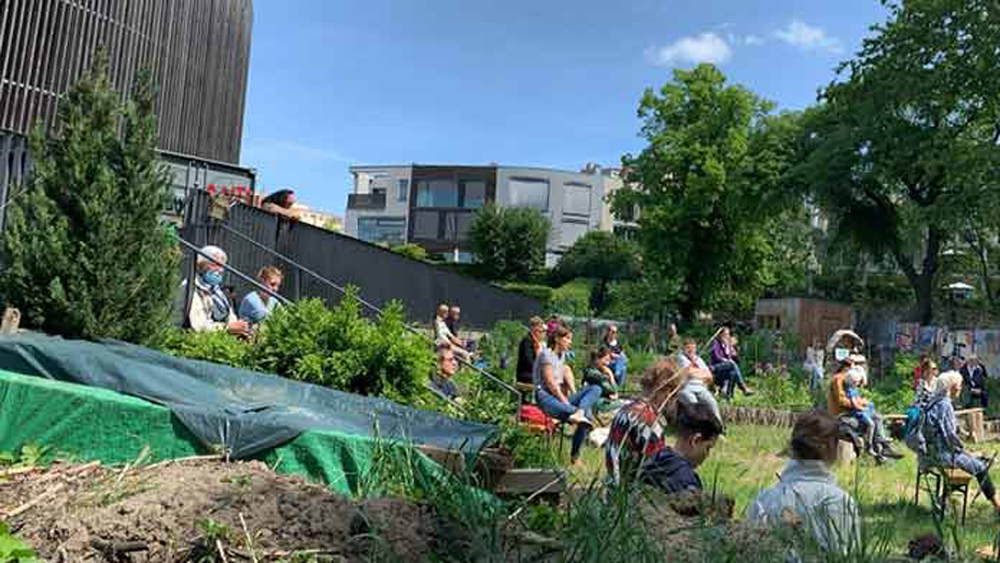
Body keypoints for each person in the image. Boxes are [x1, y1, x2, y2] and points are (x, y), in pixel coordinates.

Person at [746, 410, 861, 556]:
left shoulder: (763, 500)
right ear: (832, 448)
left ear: (792, 446)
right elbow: (848, 556)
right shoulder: (838, 501)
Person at [922, 370, 1000, 515]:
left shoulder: (934, 401)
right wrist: (964, 450)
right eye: (959, 385)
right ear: (951, 386)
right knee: (980, 466)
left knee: (972, 459)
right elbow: (949, 436)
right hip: (942, 455)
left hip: (930, 452)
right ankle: (997, 505)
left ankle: (943, 500)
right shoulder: (945, 405)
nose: (960, 388)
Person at [605, 358, 681, 486]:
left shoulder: (624, 411)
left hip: (612, 490)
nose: (673, 400)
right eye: (674, 394)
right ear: (666, 390)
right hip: (630, 497)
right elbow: (658, 471)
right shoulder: (649, 422)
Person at [534, 324, 601, 466]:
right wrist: (565, 401)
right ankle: (575, 457)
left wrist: (571, 390)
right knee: (586, 419)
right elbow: (551, 384)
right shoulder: (546, 354)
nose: (570, 342)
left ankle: (580, 412)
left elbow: (563, 375)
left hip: (559, 398)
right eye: (568, 338)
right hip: (545, 398)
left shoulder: (562, 355)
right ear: (558, 339)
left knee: (595, 388)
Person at [639, 400, 724, 495]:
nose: (707, 455)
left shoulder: (654, 460)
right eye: (707, 447)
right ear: (695, 440)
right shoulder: (687, 483)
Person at [828, 358, 901, 461]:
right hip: (843, 415)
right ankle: (879, 453)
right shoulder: (838, 379)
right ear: (847, 368)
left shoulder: (849, 380)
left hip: (852, 412)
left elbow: (854, 397)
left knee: (877, 417)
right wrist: (861, 403)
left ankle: (882, 449)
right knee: (872, 422)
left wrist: (862, 402)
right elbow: (842, 401)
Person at [188, 245, 250, 335]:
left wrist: (238, 326)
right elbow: (199, 327)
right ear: (200, 266)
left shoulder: (217, 290)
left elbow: (229, 314)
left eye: (222, 266)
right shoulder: (191, 288)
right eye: (214, 265)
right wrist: (227, 328)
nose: (220, 270)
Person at [675, 338, 724, 427]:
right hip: (686, 388)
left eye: (693, 348)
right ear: (684, 349)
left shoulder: (699, 359)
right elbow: (689, 373)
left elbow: (709, 376)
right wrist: (701, 373)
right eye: (688, 348)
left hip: (701, 388)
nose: (691, 350)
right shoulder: (681, 358)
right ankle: (699, 429)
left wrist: (696, 373)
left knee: (712, 403)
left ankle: (719, 428)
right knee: (694, 405)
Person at [710, 327, 753, 398]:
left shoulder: (728, 345)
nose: (727, 336)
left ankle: (728, 396)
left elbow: (735, 359)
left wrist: (732, 351)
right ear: (720, 335)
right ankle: (743, 388)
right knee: (731, 363)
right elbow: (716, 356)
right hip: (716, 368)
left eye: (728, 334)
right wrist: (725, 360)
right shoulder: (716, 343)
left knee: (732, 373)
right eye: (725, 334)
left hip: (725, 369)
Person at [516, 317, 546, 385]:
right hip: (527, 375)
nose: (542, 332)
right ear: (533, 328)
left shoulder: (540, 342)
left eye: (543, 330)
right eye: (540, 330)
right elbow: (528, 361)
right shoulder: (527, 341)